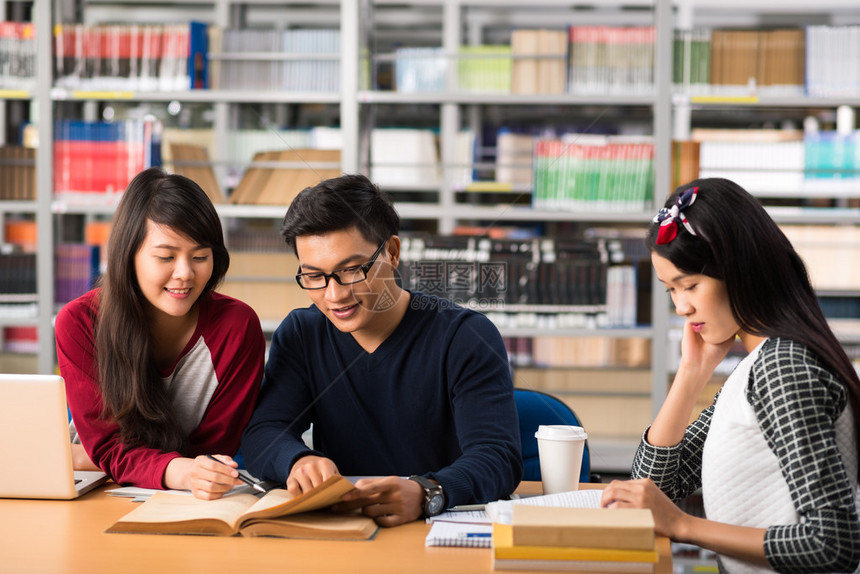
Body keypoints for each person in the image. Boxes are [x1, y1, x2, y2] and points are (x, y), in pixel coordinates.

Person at [601, 178, 860, 573]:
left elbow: (831, 543)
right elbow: (656, 488)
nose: (681, 307)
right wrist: (690, 373)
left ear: (740, 270)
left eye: (689, 285)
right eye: (670, 290)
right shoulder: (755, 366)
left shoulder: (782, 368)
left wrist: (685, 526)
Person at [241, 173, 523, 527]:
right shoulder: (302, 333)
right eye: (314, 276)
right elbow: (263, 433)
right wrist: (296, 460)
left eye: (352, 270)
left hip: (436, 530)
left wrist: (428, 492)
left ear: (391, 252)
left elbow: (498, 457)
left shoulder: (464, 336)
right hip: (345, 530)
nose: (335, 295)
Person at [56, 167, 265, 500]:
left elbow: (210, 460)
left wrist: (92, 457)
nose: (184, 273)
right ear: (129, 255)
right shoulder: (79, 323)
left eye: (200, 256)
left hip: (185, 501)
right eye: (166, 256)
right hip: (95, 495)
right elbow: (109, 446)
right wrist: (111, 457)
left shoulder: (237, 328)